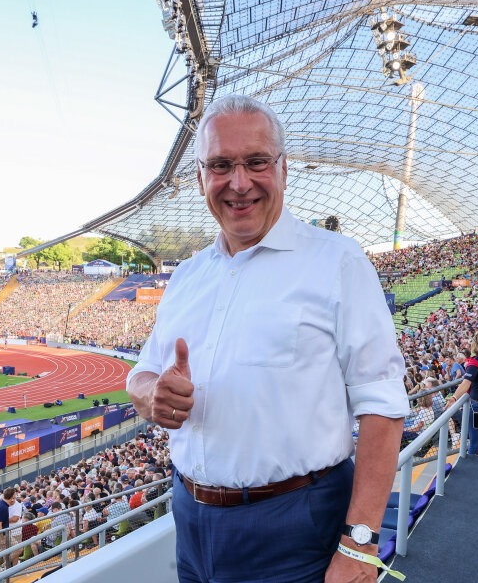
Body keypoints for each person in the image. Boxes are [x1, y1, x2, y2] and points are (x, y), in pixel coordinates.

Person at [127, 94, 409, 583]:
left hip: (298, 524)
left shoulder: (337, 261)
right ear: (199, 178)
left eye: (256, 161)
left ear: (282, 168)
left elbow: (382, 405)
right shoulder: (187, 277)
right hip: (190, 518)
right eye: (220, 165)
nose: (239, 183)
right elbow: (141, 375)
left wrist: (360, 546)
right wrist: (150, 394)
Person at [0, 488, 16, 574]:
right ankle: (2, 566)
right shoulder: (3, 507)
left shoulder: (0, 502)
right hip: (1, 535)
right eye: (15, 496)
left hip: (0, 534)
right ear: (12, 497)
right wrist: (2, 539)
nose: (16, 497)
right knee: (19, 549)